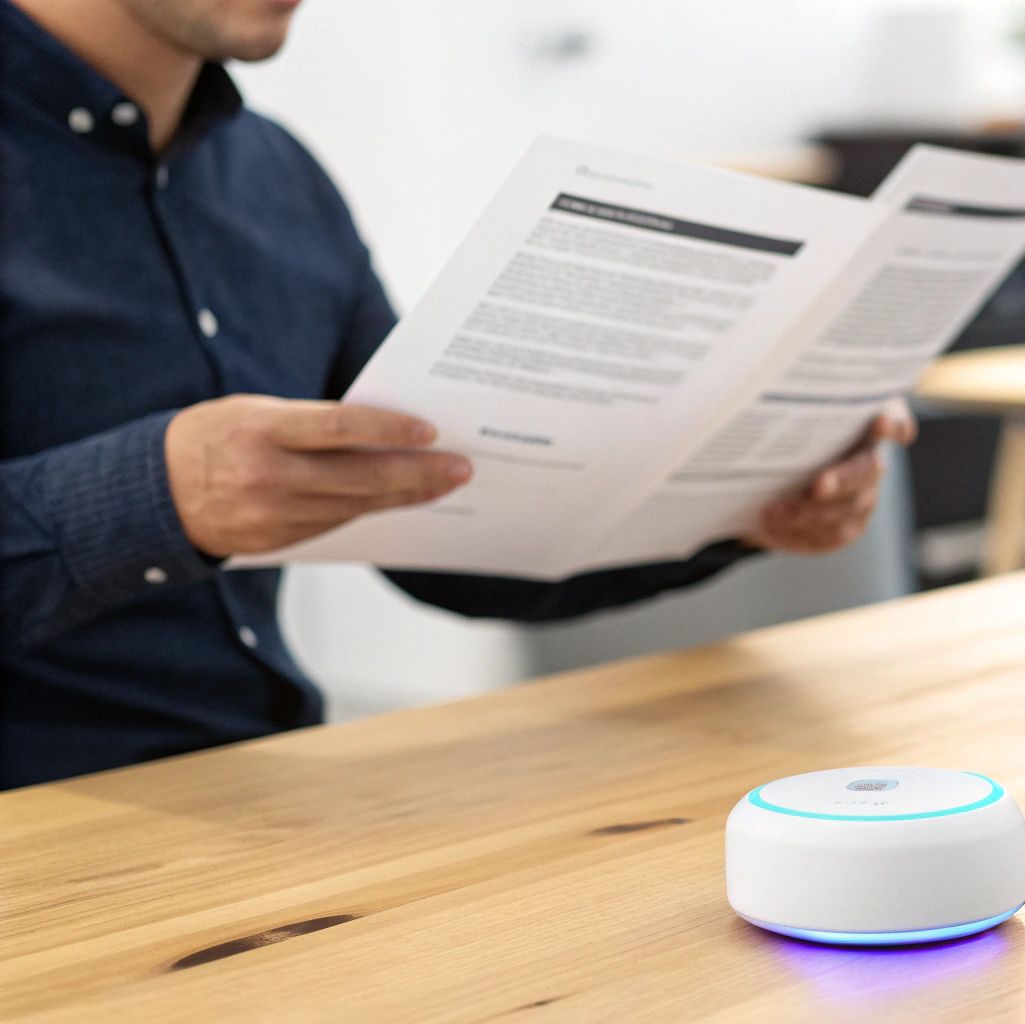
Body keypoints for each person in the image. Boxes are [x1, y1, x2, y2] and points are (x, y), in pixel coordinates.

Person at [0, 0, 915, 789]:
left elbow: (440, 528)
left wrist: (741, 506)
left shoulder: (276, 177)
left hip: (258, 798)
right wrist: (155, 496)